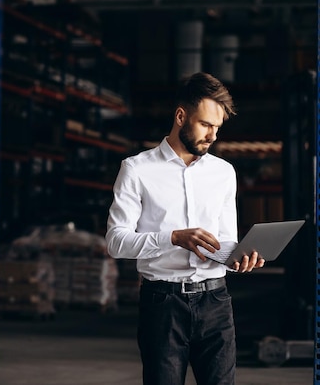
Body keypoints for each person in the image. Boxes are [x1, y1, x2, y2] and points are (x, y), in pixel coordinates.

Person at [105, 72, 264, 385]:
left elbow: (225, 242)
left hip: (216, 302)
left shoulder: (223, 173)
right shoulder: (137, 169)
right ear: (180, 116)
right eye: (205, 124)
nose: (212, 136)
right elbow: (115, 241)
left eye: (217, 127)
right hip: (163, 304)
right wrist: (174, 238)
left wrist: (240, 258)